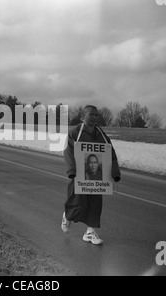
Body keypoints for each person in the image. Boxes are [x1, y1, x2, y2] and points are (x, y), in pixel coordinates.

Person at [61, 105, 121, 245]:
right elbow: (68, 151)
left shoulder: (101, 134)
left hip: (97, 178)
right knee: (78, 203)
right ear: (83, 116)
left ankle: (90, 232)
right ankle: (68, 216)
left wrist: (115, 172)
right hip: (78, 176)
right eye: (91, 114)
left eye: (96, 115)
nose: (94, 117)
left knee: (95, 203)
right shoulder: (75, 132)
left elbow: (110, 153)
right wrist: (71, 171)